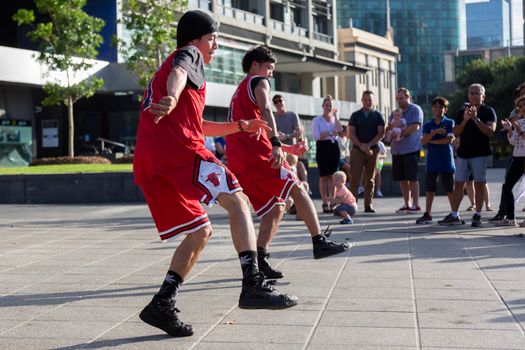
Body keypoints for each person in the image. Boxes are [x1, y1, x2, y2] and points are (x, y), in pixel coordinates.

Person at [133, 11, 297, 338]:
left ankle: (161, 304)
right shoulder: (187, 56)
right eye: (212, 38)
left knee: (200, 232)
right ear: (196, 39)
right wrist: (173, 95)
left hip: (154, 161)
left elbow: (199, 125)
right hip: (181, 152)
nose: (216, 46)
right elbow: (180, 71)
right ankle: (252, 285)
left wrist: (238, 126)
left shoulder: (181, 74)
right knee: (238, 199)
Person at [225, 45, 350, 279]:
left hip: (241, 159)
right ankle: (319, 241)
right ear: (255, 65)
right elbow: (266, 111)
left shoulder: (240, 90)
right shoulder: (258, 82)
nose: (271, 73)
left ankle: (260, 259)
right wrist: (274, 144)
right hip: (256, 156)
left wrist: (286, 147)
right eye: (269, 68)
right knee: (298, 188)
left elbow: (255, 128)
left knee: (277, 207)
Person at [438, 83, 496, 227]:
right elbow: (456, 132)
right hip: (463, 153)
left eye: (477, 93)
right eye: (471, 93)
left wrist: (476, 119)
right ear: (468, 95)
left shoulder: (488, 111)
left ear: (483, 96)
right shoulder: (462, 112)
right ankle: (454, 214)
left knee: (479, 183)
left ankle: (477, 214)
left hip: (480, 153)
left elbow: (490, 131)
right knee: (458, 184)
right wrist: (465, 120)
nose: (474, 95)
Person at [416, 97, 455, 224]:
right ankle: (428, 213)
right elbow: (423, 141)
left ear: (445, 109)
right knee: (430, 188)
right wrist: (436, 132)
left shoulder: (449, 123)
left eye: (441, 107)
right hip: (432, 161)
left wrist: (431, 140)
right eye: (435, 107)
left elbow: (448, 140)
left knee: (450, 188)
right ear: (432, 108)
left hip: (446, 160)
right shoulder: (428, 125)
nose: (438, 109)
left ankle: (455, 213)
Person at [489, 95, 525, 226]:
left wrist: (519, 131)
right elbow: (513, 141)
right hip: (518, 157)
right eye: (519, 106)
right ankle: (510, 218)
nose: (522, 108)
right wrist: (510, 130)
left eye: (524, 105)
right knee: (507, 186)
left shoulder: (520, 124)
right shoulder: (519, 122)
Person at [387, 87, 424, 214]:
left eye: (401, 98)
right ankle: (406, 204)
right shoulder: (394, 112)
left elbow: (415, 126)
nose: (399, 101)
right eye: (397, 98)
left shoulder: (415, 109)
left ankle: (416, 205)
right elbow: (390, 127)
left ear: (408, 97)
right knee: (402, 178)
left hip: (410, 148)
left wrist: (399, 133)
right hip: (397, 149)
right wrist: (390, 133)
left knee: (412, 177)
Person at [348, 90, 385, 213]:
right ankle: (352, 204)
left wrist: (369, 145)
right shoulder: (355, 115)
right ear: (361, 100)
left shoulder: (378, 116)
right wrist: (360, 145)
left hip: (373, 150)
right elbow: (351, 133)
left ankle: (368, 204)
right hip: (357, 150)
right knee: (355, 177)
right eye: (365, 99)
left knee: (370, 178)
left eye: (369, 99)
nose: (367, 102)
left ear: (373, 101)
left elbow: (381, 133)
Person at [273, 93, 305, 214]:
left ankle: (295, 202)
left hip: (291, 150)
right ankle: (286, 202)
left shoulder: (292, 115)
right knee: (280, 175)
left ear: (284, 101)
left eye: (280, 101)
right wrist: (277, 137)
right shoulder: (273, 117)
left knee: (292, 172)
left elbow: (298, 132)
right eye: (275, 102)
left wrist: (286, 136)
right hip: (279, 150)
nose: (278, 103)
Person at [312, 96, 343, 213]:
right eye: (326, 105)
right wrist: (330, 132)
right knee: (324, 176)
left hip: (333, 147)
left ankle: (332, 201)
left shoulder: (334, 119)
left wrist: (336, 116)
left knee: (333, 176)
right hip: (323, 147)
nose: (328, 107)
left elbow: (339, 130)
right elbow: (317, 136)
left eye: (330, 105)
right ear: (322, 106)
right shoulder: (317, 120)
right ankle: (325, 201)